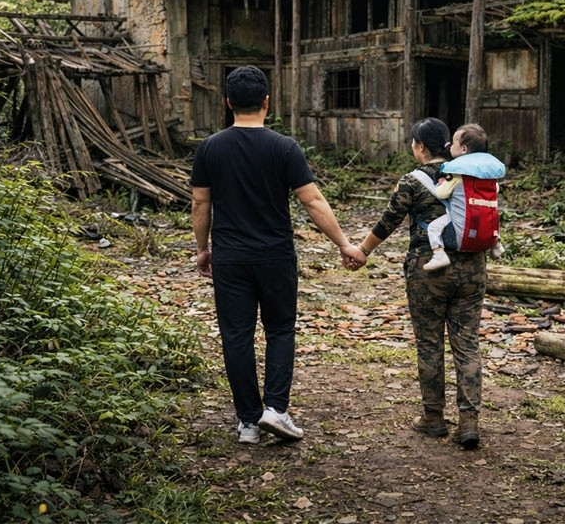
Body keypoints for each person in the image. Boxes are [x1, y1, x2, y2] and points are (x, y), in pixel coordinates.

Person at [190, 65, 365, 445]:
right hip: (275, 256)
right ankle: (276, 409)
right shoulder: (284, 147)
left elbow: (200, 204)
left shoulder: (210, 147)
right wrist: (344, 244)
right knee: (280, 330)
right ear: (267, 102)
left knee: (236, 336)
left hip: (230, 258)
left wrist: (203, 249)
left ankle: (248, 422)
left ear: (228, 102)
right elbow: (312, 201)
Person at [353, 118, 488, 449]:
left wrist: (362, 251)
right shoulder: (470, 173)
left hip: (428, 271)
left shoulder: (413, 181)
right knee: (467, 344)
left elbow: (388, 221)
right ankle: (469, 422)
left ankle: (433, 418)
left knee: (429, 344)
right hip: (472, 269)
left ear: (421, 146)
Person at [422, 123, 506, 271]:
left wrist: (440, 184)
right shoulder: (489, 174)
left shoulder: (457, 173)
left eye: (453, 143)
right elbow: (496, 189)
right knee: (489, 216)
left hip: (461, 237)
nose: (449, 146)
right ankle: (496, 245)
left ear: (464, 149)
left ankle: (439, 255)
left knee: (433, 227)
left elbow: (441, 193)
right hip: (487, 235)